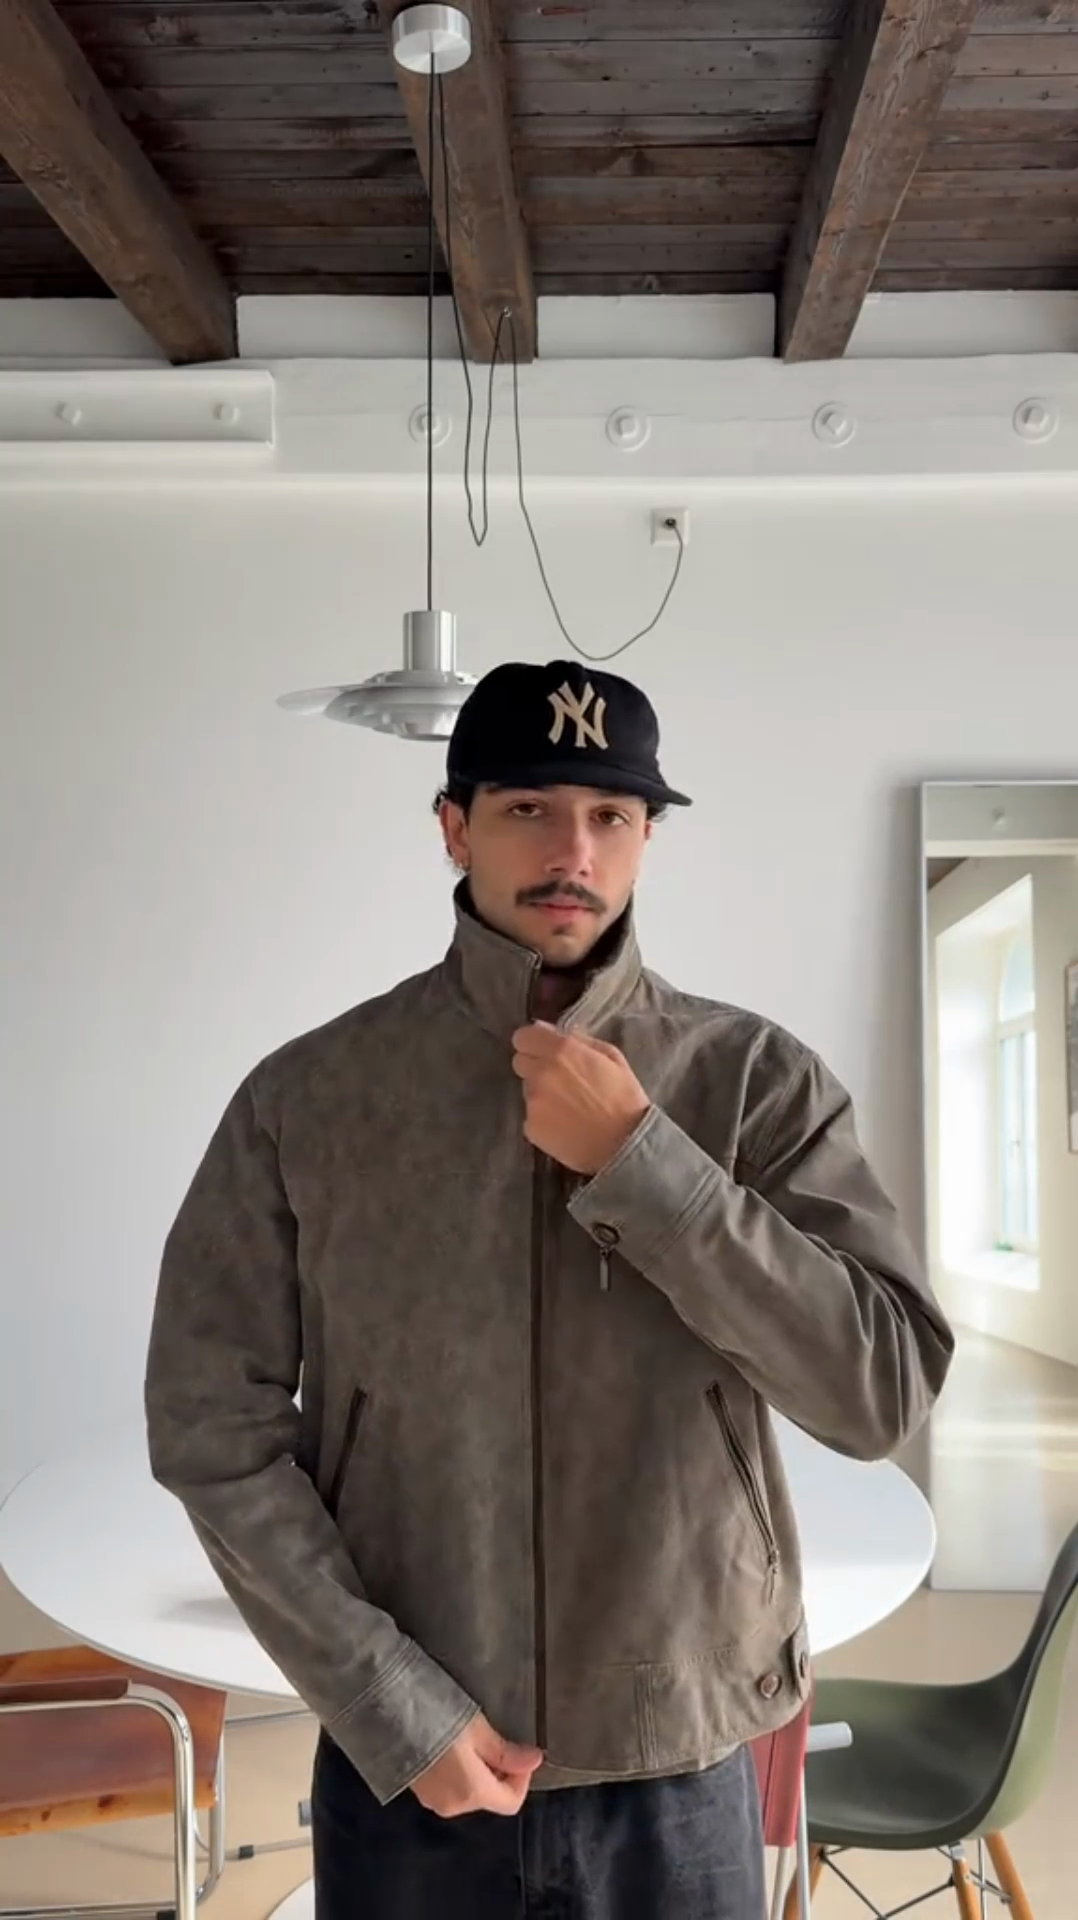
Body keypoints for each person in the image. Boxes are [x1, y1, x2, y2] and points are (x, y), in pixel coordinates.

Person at [145, 659, 953, 1919]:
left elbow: (880, 1393)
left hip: (679, 1760)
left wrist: (649, 1167)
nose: (573, 850)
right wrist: (386, 1700)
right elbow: (209, 1424)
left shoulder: (756, 1082)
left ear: (647, 839)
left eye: (611, 815)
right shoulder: (311, 1097)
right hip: (411, 1764)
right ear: (454, 826)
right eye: (528, 807)